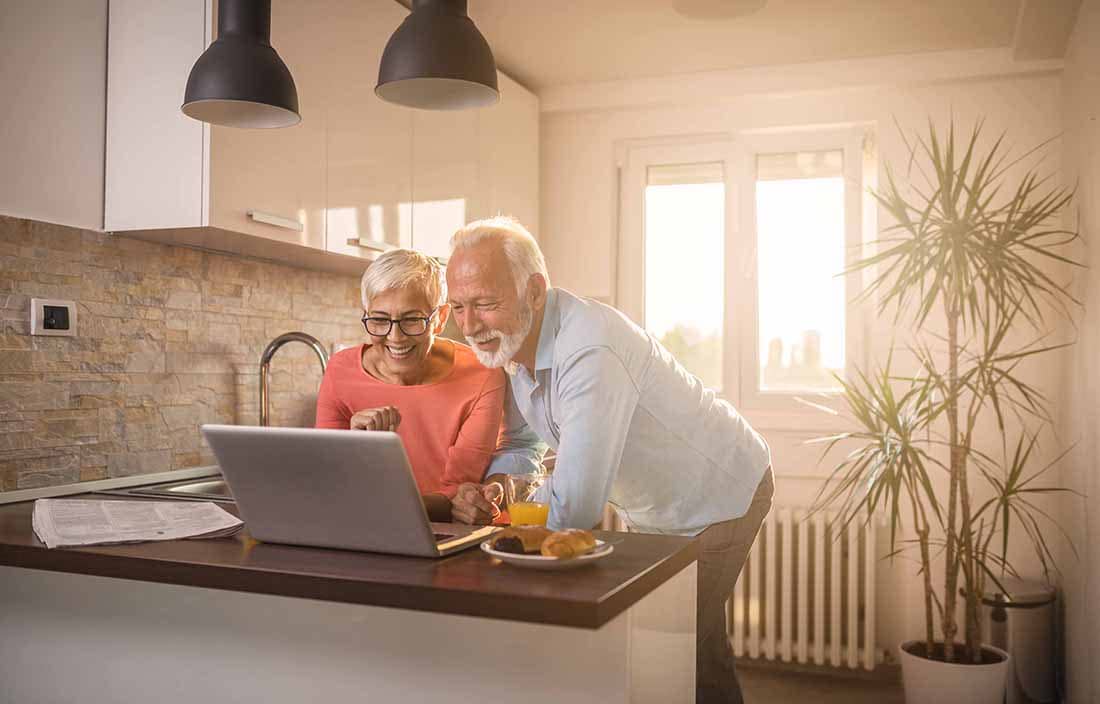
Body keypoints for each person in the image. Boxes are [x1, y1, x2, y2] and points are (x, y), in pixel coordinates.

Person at [445, 216, 773, 704]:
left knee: (667, 651)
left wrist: (503, 555)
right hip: (659, 504)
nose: (469, 325)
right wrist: (499, 490)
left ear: (534, 291)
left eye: (485, 304)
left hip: (719, 492)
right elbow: (523, 445)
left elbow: (574, 506)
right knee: (697, 651)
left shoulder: (590, 347)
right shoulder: (514, 346)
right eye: (458, 306)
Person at [315, 248, 506, 522]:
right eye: (380, 319)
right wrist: (354, 450)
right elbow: (327, 482)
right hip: (357, 530)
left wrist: (374, 500)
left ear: (439, 318)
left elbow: (459, 492)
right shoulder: (339, 370)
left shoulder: (482, 375)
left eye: (412, 319)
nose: (395, 337)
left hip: (443, 535)